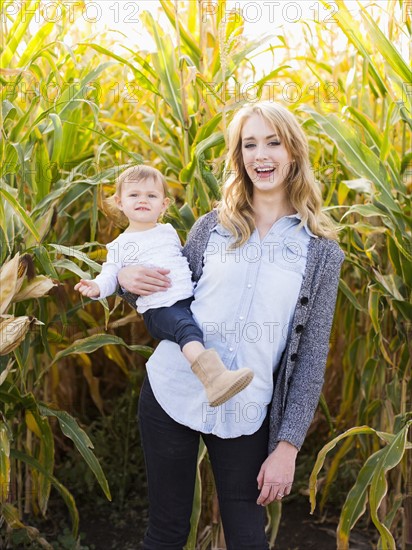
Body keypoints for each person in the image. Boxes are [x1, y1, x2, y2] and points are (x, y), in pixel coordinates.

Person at [118, 101, 345, 550]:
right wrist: (126, 280)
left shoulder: (320, 253)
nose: (261, 155)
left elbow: (312, 356)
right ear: (239, 157)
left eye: (273, 142)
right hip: (173, 391)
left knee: (246, 540)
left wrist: (288, 447)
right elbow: (167, 296)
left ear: (293, 152)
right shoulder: (211, 228)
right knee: (165, 533)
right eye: (249, 145)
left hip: (247, 410)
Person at [74, 165, 254, 407]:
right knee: (185, 329)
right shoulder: (120, 245)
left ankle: (223, 374)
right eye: (134, 195)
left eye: (151, 195)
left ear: (165, 204)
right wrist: (96, 287)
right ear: (119, 202)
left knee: (198, 327)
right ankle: (215, 381)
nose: (143, 200)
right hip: (159, 309)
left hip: (186, 300)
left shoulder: (168, 232)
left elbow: (184, 263)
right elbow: (111, 275)